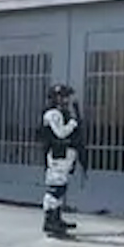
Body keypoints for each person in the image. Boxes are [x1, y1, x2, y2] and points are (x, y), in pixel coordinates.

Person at [38, 82, 84, 237]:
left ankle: (56, 218)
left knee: (61, 187)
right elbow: (60, 133)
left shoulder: (61, 113)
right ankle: (50, 220)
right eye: (63, 97)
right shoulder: (53, 114)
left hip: (63, 155)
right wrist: (73, 124)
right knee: (55, 189)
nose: (66, 100)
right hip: (57, 155)